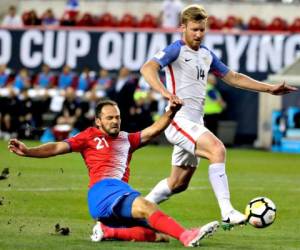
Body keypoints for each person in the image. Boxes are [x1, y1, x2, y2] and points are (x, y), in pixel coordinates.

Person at [140, 4, 298, 230]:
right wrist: (166, 93)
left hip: (195, 122)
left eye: (202, 30)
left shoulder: (206, 54)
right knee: (217, 149)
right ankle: (227, 211)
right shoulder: (176, 49)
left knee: (178, 183)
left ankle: (137, 210)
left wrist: (269, 88)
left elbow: (233, 77)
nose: (198, 34)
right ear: (182, 28)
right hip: (178, 120)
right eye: (194, 29)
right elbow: (147, 68)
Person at [8, 99, 219, 247]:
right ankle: (186, 236)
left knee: (156, 234)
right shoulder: (89, 136)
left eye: (117, 117)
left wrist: (171, 112)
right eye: (110, 118)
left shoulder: (127, 139)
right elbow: (56, 147)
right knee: (147, 206)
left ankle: (108, 231)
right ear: (98, 121)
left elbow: (154, 130)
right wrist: (28, 151)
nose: (115, 121)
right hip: (103, 190)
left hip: (117, 195)